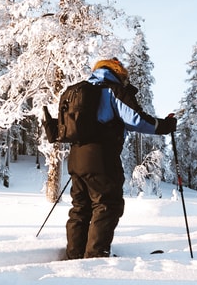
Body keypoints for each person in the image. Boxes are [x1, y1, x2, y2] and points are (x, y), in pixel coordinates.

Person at [65, 58, 176, 259]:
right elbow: (136, 120)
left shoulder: (76, 91)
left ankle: (74, 255)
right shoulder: (112, 90)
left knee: (80, 207)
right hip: (102, 157)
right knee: (107, 204)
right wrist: (165, 126)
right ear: (118, 72)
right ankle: (96, 256)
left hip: (75, 157)